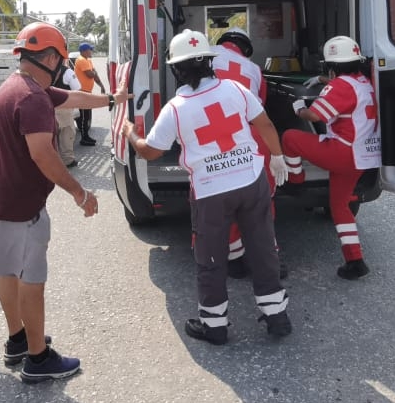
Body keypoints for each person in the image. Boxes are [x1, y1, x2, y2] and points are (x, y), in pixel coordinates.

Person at [0, 22, 125, 383]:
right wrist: (80, 192)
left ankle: (17, 339)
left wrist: (112, 100)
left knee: (8, 271)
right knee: (32, 279)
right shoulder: (32, 99)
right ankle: (38, 359)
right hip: (21, 207)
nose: (64, 66)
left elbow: (74, 98)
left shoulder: (20, 87)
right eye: (61, 59)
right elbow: (43, 153)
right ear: (47, 57)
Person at [124, 29, 292, 345]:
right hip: (251, 181)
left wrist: (131, 133)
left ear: (176, 69)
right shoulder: (235, 89)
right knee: (263, 247)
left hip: (211, 191)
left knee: (211, 258)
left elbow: (149, 151)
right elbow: (265, 124)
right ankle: (277, 316)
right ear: (210, 62)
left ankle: (214, 326)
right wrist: (278, 158)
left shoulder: (175, 108)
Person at [280, 36, 381, 280]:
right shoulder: (364, 81)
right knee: (339, 206)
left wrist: (298, 107)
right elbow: (346, 93)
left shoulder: (340, 87)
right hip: (363, 157)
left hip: (342, 152)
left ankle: (295, 181)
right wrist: (325, 82)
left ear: (330, 64)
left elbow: (316, 117)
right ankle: (355, 260)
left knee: (290, 137)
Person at [211, 28, 285, 280]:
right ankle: (269, 258)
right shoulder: (253, 70)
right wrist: (276, 153)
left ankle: (234, 260)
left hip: (214, 141)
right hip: (251, 137)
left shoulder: (204, 56)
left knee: (226, 201)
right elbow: (259, 111)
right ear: (245, 47)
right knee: (262, 202)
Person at [74, 42, 107, 145]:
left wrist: (101, 85)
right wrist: (94, 72)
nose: (91, 51)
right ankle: (84, 138)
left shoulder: (88, 60)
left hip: (87, 92)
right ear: (84, 51)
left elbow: (94, 74)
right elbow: (90, 74)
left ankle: (86, 136)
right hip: (82, 92)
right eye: (90, 49)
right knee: (84, 117)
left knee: (86, 116)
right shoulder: (81, 60)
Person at [54, 55, 82, 168]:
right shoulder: (67, 71)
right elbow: (77, 88)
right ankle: (67, 160)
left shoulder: (44, 71)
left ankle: (53, 159)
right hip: (63, 107)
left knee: (52, 134)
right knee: (67, 132)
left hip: (46, 105)